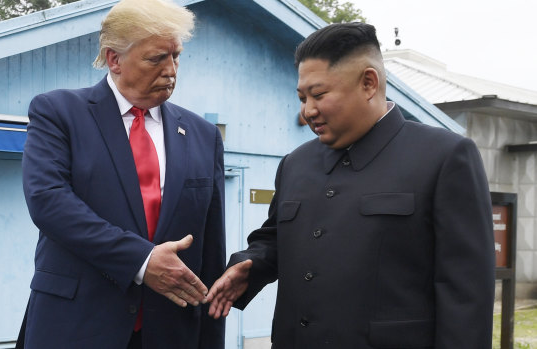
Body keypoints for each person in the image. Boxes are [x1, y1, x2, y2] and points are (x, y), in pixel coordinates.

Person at [207, 22, 494, 348]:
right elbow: (274, 239)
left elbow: (467, 294)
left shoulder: (444, 157)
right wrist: (250, 267)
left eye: (318, 94)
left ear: (368, 83)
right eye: (302, 97)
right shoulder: (295, 163)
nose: (307, 110)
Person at [16, 0, 226, 348]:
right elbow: (48, 202)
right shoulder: (59, 112)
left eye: (176, 56)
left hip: (171, 332)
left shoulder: (203, 135)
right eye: (157, 58)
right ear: (114, 59)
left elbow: (210, 247)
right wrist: (141, 260)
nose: (171, 70)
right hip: (76, 327)